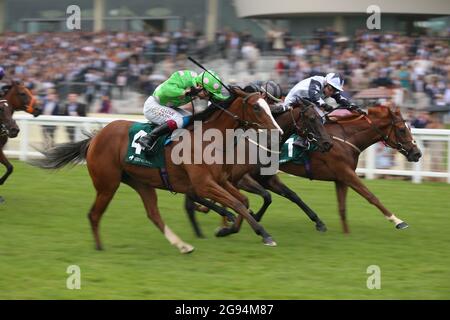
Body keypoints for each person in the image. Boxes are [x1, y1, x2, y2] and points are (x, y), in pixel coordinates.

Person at [137, 69, 228, 154]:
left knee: (193, 120)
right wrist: (184, 92)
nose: (206, 98)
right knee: (179, 120)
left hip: (167, 107)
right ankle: (148, 138)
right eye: (208, 94)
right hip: (153, 105)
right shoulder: (184, 78)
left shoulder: (199, 87)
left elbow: (214, 100)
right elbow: (163, 91)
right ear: (200, 86)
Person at [283, 72, 357, 147]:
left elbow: (340, 99)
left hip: (305, 102)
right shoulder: (317, 81)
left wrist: (353, 106)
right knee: (320, 116)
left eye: (334, 91)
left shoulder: (329, 86)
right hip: (293, 101)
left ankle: (307, 138)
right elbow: (313, 95)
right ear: (326, 83)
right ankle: (301, 139)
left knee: (322, 116)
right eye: (330, 89)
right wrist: (325, 105)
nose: (331, 93)